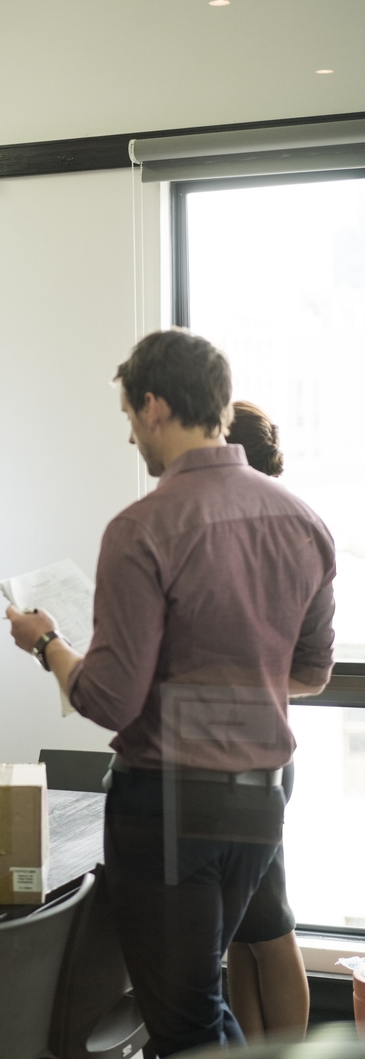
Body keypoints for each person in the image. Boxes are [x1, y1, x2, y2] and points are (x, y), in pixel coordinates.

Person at [7, 330, 335, 1057]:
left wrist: (47, 644)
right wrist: (229, 680)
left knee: (184, 1023)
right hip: (259, 794)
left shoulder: (144, 526)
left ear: (154, 405)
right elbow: (310, 672)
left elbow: (111, 700)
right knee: (199, 1008)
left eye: (128, 414)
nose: (130, 434)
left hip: (166, 803)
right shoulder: (305, 522)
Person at [225, 401, 309, 1039]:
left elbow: (307, 664)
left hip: (256, 756)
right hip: (222, 753)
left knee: (270, 928)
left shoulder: (277, 530)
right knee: (239, 937)